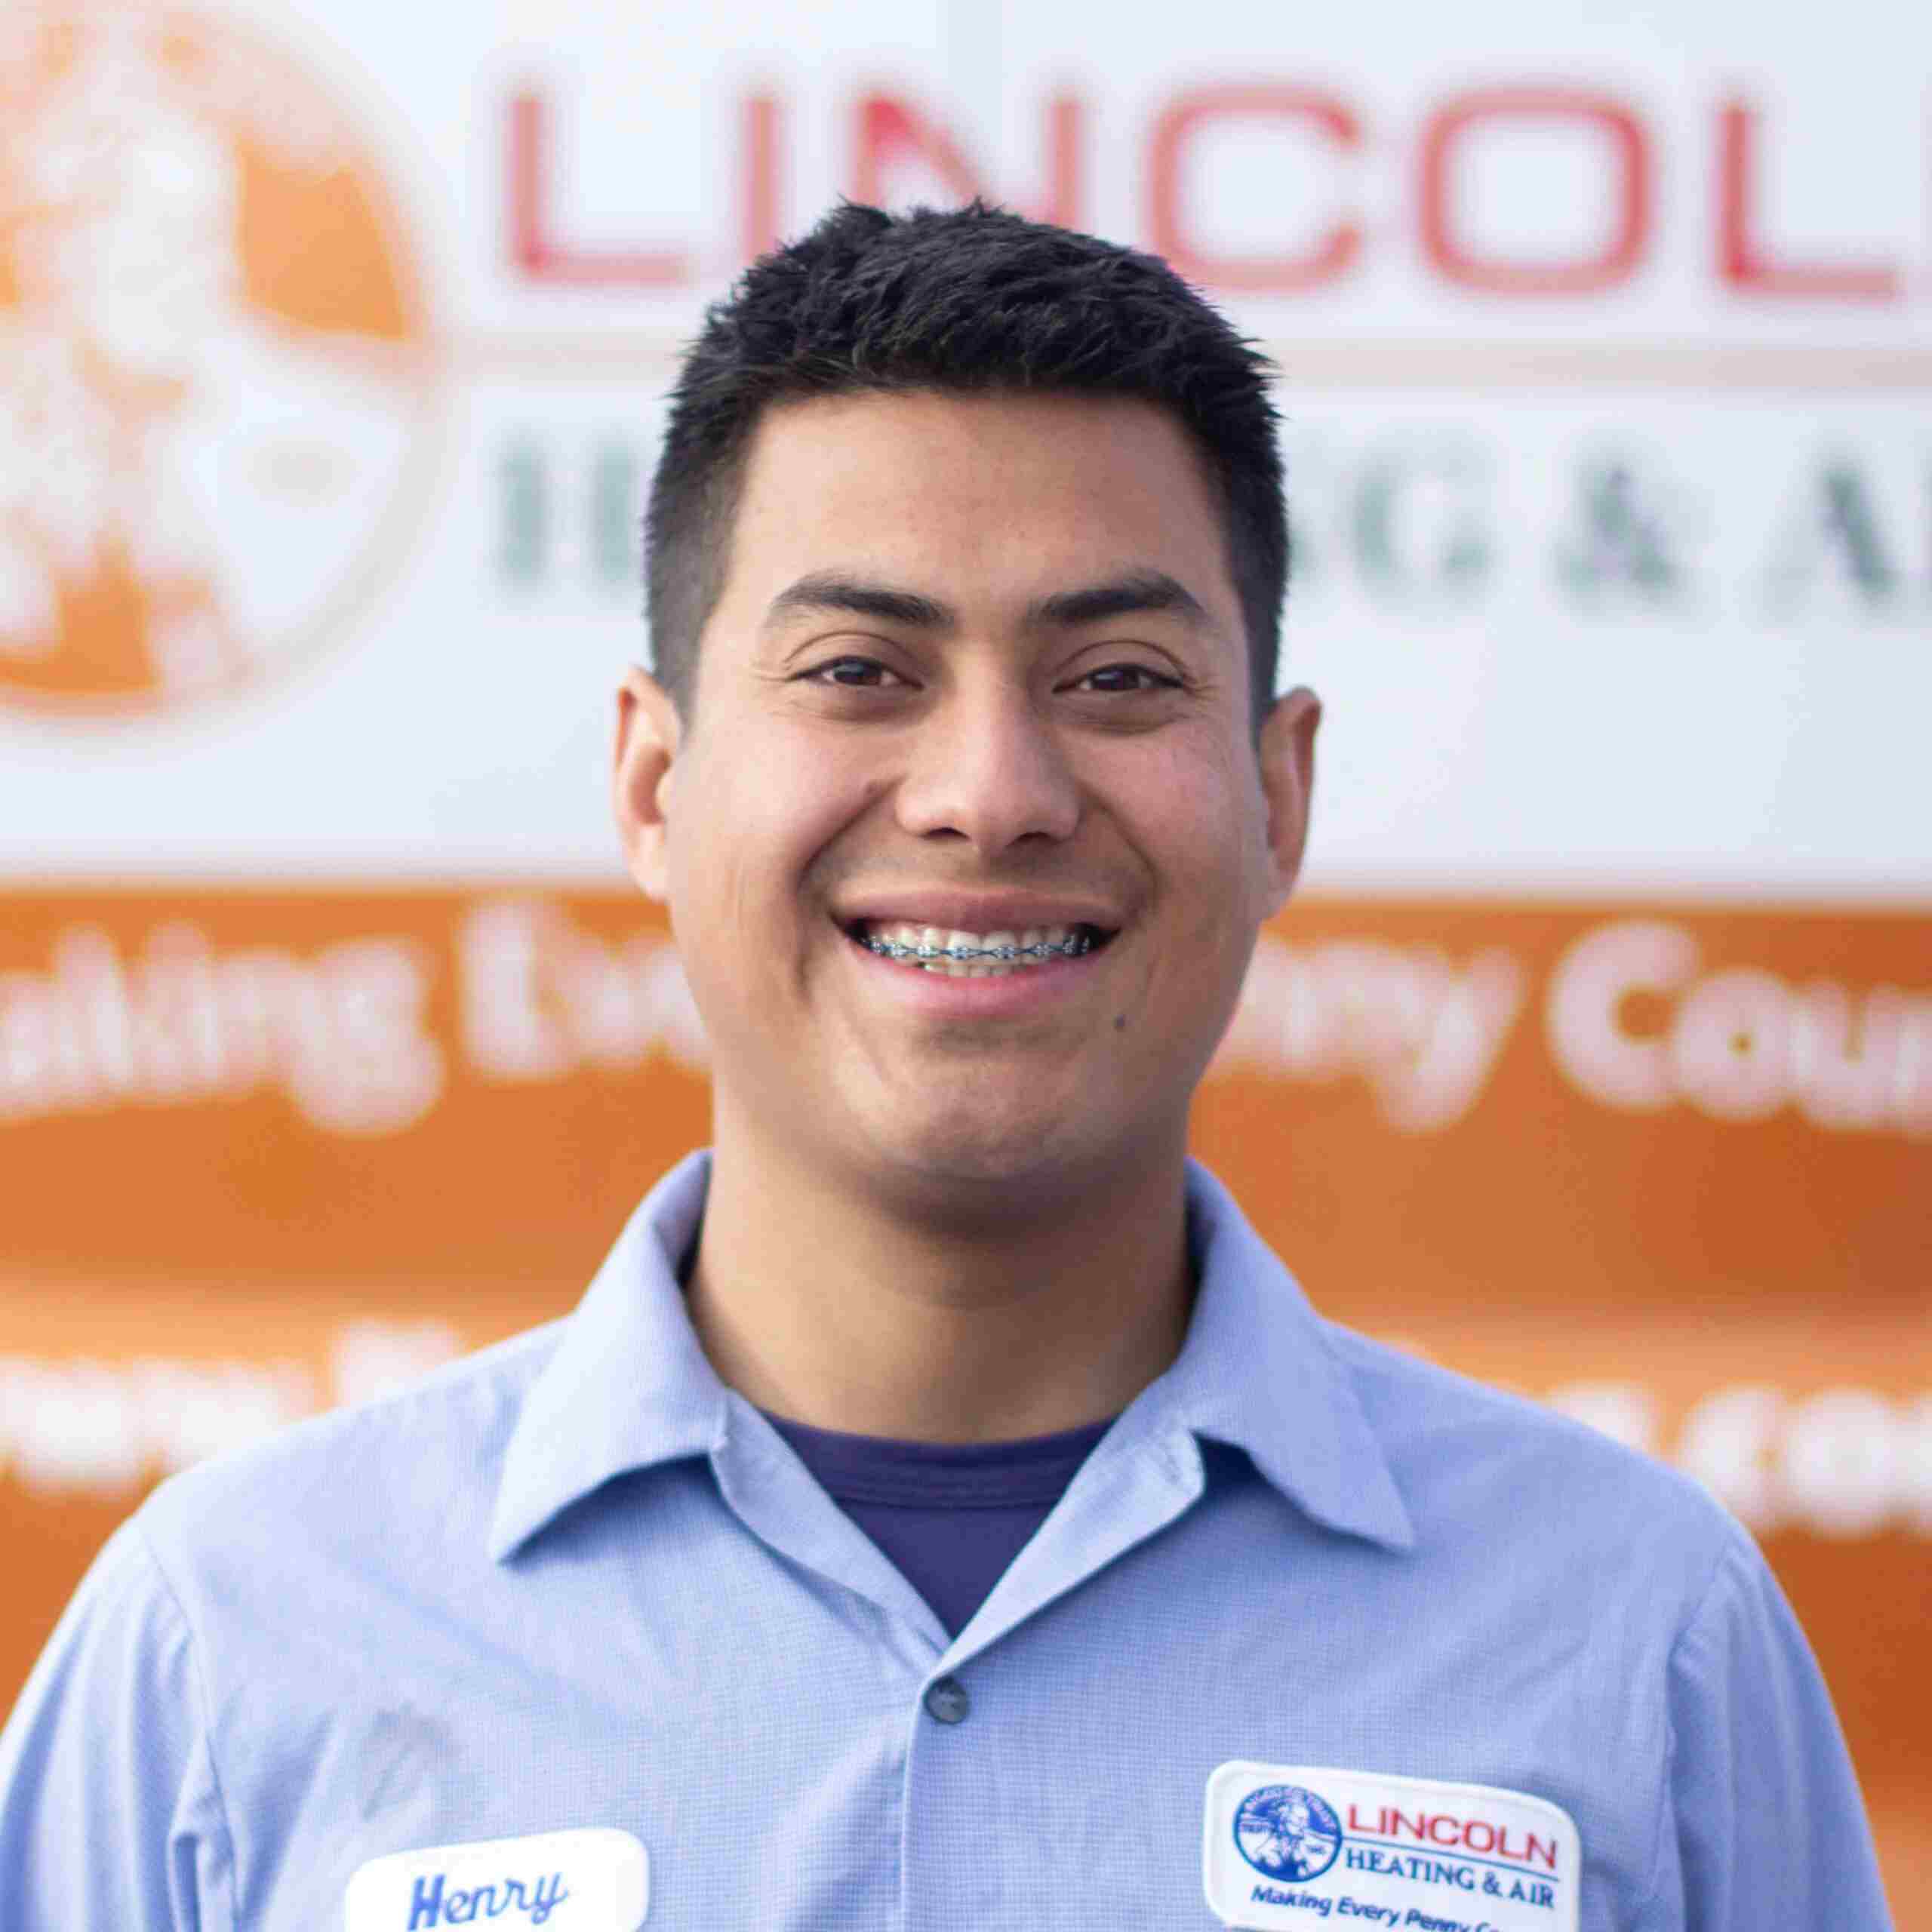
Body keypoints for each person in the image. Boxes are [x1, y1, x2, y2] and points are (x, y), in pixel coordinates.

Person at [0, 202, 1892, 1930]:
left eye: (1117, 680)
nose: (989, 792)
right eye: (857, 670)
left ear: (1277, 788)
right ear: (656, 785)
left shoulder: (1639, 1639)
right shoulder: (231, 1645)